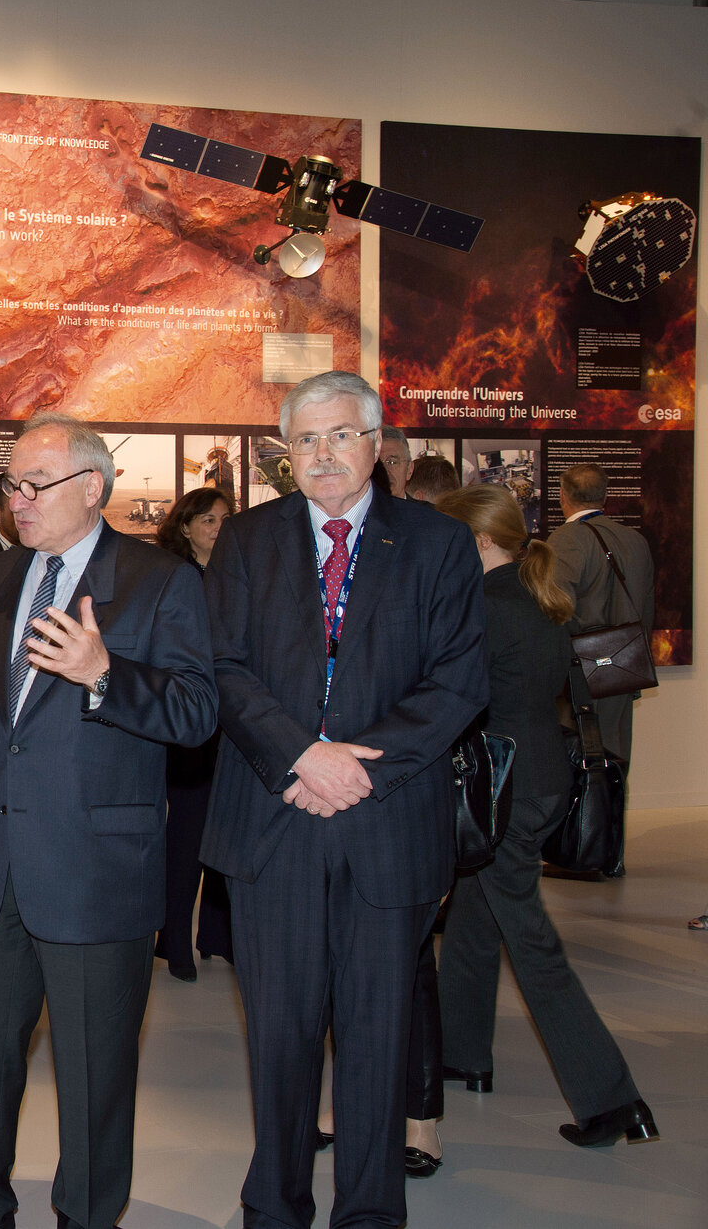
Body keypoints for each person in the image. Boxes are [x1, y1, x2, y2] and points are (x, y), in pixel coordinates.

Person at [0, 411, 216, 1229]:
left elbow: (195, 713)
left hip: (93, 869)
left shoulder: (159, 581)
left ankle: (85, 1217)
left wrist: (105, 674)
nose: (17, 502)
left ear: (92, 489)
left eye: (35, 486)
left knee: (92, 1074)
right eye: (10, 486)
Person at [203, 370, 486, 1229]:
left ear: (376, 445)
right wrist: (303, 755)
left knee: (377, 1041)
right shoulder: (247, 541)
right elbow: (221, 667)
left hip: (386, 821)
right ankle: (275, 1208)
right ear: (286, 455)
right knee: (280, 1041)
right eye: (306, 441)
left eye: (340, 436)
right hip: (274, 814)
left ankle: (370, 1213)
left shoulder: (437, 544)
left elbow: (459, 680)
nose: (323, 455)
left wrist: (356, 769)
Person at [434, 484, 659, 1148]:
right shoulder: (541, 597)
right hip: (540, 776)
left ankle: (614, 1099)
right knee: (475, 916)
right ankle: (461, 1052)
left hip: (502, 787)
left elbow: (458, 699)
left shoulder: (480, 607)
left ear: (475, 541)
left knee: (533, 946)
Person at [151, 486, 235, 981]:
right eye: (209, 520)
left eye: (226, 519)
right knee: (185, 836)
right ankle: (174, 940)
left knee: (226, 832)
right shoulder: (174, 578)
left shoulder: (237, 576)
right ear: (185, 527)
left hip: (232, 724)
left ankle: (219, 937)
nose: (219, 529)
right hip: (186, 723)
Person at [546, 463, 653, 769]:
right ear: (604, 496)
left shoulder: (566, 540)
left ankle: (590, 818)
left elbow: (555, 606)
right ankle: (612, 817)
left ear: (563, 495)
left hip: (580, 666)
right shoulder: (635, 540)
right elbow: (646, 607)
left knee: (582, 755)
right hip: (625, 660)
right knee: (616, 751)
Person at [377, 425, 412, 498]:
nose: (385, 471)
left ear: (409, 470)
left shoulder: (422, 509)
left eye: (392, 462)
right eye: (377, 463)